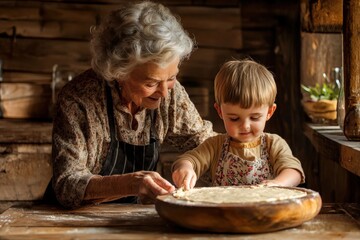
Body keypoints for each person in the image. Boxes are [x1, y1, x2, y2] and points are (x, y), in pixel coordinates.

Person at [50, 1, 216, 209]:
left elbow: (207, 145)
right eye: (150, 83)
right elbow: (67, 184)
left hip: (130, 217)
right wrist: (130, 184)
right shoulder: (79, 100)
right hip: (72, 220)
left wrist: (191, 163)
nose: (164, 92)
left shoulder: (169, 93)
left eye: (172, 77)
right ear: (119, 73)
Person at [172, 59, 305, 190]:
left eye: (254, 117)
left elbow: (294, 171)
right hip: (224, 210)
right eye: (234, 118)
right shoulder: (214, 146)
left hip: (265, 210)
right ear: (220, 111)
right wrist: (185, 168)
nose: (245, 126)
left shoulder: (273, 144)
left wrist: (278, 183)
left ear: (269, 112)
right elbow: (188, 160)